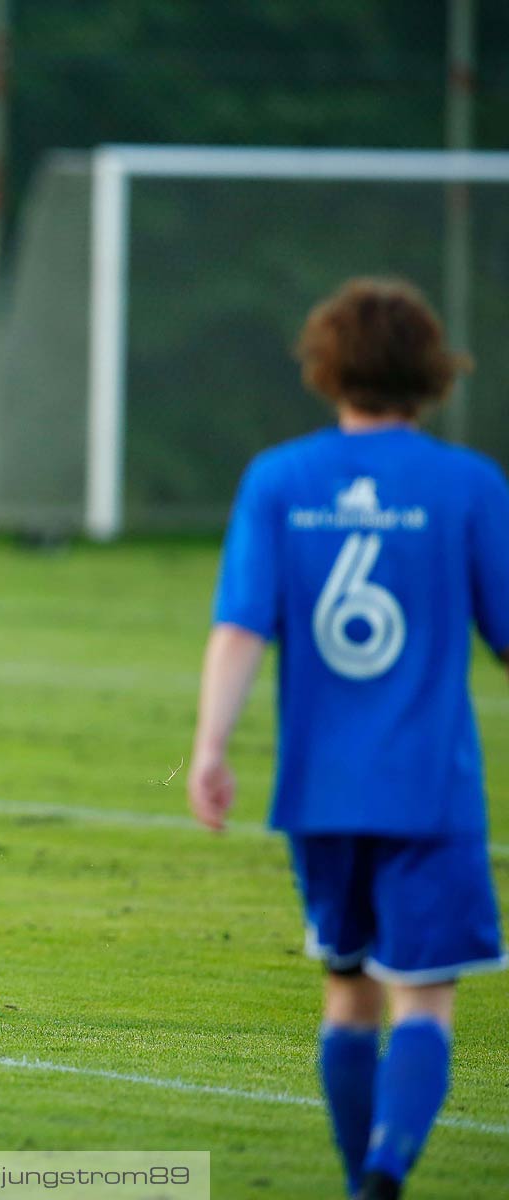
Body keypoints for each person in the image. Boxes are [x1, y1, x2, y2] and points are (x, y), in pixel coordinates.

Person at [188, 277, 507, 1200]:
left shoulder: (280, 479)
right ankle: (386, 1170)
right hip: (430, 791)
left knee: (348, 994)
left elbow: (241, 625)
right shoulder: (468, 484)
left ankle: (359, 1179)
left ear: (325, 368)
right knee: (425, 997)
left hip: (320, 792)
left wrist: (211, 746)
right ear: (433, 371)